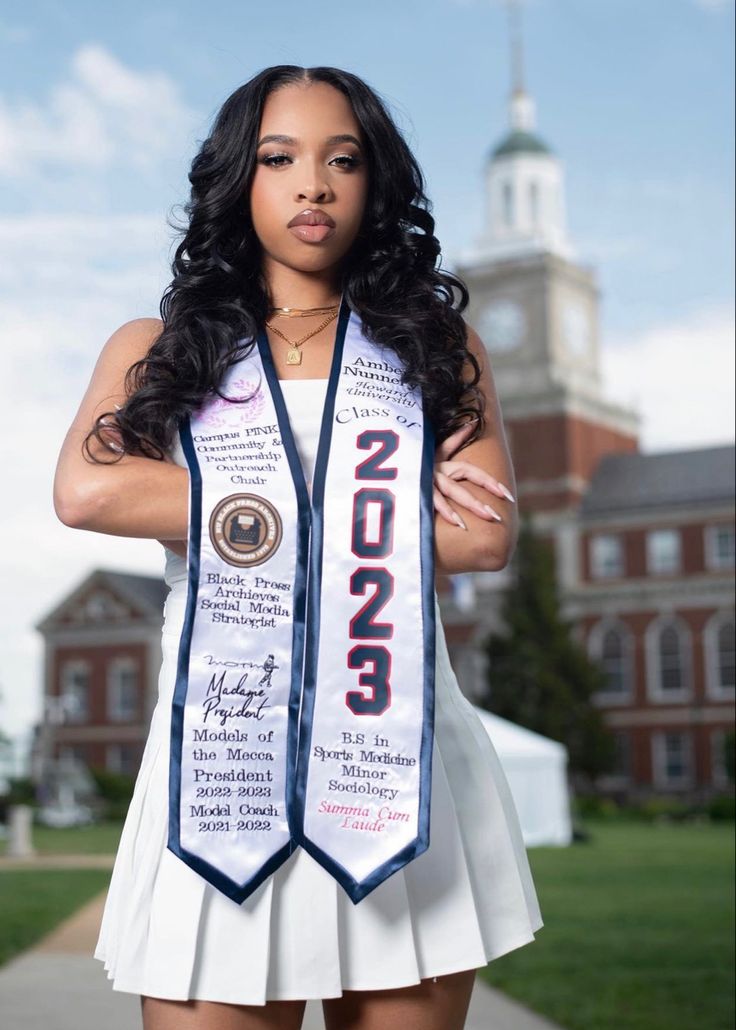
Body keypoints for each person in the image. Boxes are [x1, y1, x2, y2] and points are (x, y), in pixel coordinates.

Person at [53, 64, 543, 1030]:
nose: (312, 185)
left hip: (397, 756)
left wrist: (218, 502)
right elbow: (88, 490)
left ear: (376, 182)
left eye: (342, 159)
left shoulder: (433, 347)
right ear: (241, 179)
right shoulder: (160, 347)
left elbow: (481, 536)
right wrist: (367, 495)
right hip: (220, 761)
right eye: (279, 158)